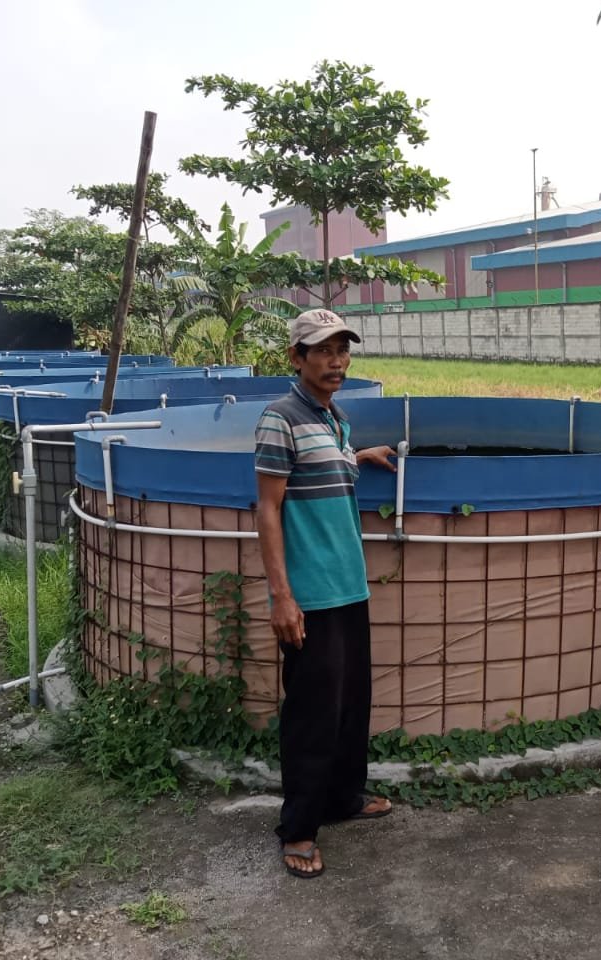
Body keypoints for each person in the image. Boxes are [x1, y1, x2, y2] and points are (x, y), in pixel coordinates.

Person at [254, 308, 397, 878]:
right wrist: (281, 596)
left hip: (349, 584)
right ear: (297, 358)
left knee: (350, 704)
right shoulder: (280, 418)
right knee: (313, 714)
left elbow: (324, 473)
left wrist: (359, 456)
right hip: (310, 594)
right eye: (323, 351)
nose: (337, 361)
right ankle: (299, 828)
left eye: (343, 349)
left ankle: (342, 798)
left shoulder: (334, 419)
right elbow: (268, 509)